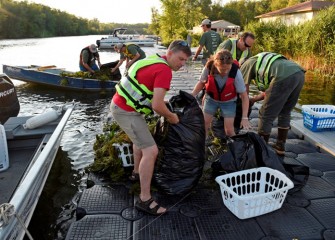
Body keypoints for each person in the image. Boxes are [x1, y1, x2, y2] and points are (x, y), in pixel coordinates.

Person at [110, 40, 192, 215]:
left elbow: (148, 93)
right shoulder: (164, 71)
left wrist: (166, 105)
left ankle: (136, 173)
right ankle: (145, 199)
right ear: (169, 53)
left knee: (139, 141)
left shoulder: (152, 60)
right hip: (126, 112)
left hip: (121, 105)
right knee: (151, 151)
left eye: (185, 60)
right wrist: (172, 117)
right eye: (180, 59)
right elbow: (156, 106)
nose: (182, 64)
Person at [240, 52, 305, 155]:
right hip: (299, 73)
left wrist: (244, 109)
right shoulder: (261, 63)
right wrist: (253, 100)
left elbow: (244, 92)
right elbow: (269, 92)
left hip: (283, 76)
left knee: (265, 113)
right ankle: (280, 146)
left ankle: (261, 149)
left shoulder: (245, 65)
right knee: (285, 112)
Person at [191, 50, 250, 137]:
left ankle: (233, 147)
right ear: (216, 65)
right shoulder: (209, 67)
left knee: (229, 130)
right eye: (222, 69)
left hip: (229, 101)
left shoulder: (236, 72)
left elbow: (244, 96)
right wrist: (192, 95)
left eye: (227, 69)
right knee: (204, 124)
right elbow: (201, 83)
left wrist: (244, 117)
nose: (225, 72)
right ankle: (202, 145)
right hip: (211, 99)